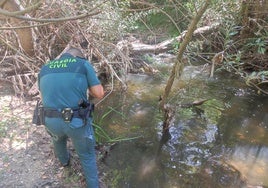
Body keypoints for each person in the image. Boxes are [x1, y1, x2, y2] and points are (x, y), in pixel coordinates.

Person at [38, 47, 104, 188]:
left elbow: (43, 97)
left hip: (50, 120)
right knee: (87, 155)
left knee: (58, 139)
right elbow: (99, 94)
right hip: (76, 123)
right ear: (78, 57)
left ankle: (64, 162)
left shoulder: (45, 68)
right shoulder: (83, 64)